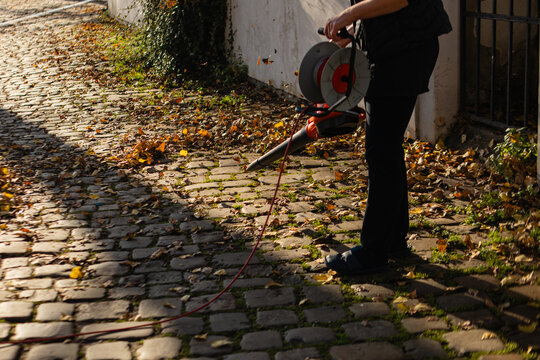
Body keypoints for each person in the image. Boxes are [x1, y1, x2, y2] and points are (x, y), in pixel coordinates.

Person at [322, 0, 452, 275]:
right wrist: (356, 33)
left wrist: (348, 14)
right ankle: (392, 239)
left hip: (404, 53)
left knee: (381, 152)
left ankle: (373, 251)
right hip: (393, 50)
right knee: (387, 149)